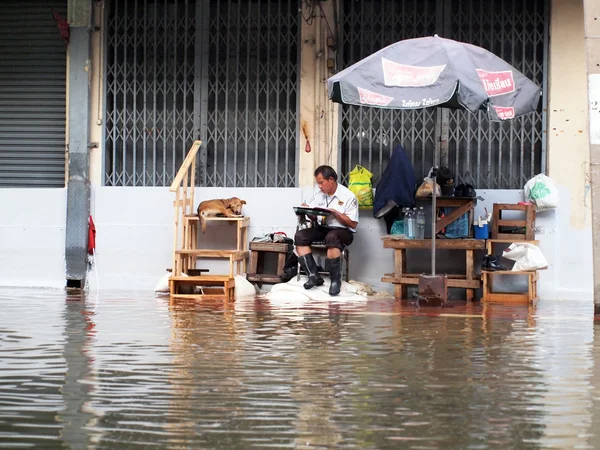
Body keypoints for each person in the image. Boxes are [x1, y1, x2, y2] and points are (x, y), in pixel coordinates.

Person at [295, 165, 359, 296]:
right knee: (300, 236)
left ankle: (335, 281)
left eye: (321, 183)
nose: (319, 186)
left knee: (332, 237)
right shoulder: (318, 195)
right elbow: (314, 216)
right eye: (318, 183)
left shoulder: (348, 196)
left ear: (331, 179)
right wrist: (307, 211)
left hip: (342, 231)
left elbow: (353, 224)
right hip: (322, 228)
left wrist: (336, 214)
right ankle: (313, 275)